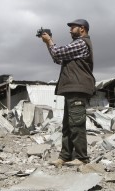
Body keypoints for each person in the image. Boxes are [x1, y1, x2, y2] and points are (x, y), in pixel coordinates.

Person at [39, 18, 95, 166]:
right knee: (68, 125)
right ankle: (65, 156)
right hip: (72, 89)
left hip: (78, 88)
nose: (70, 30)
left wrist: (49, 41)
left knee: (76, 123)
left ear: (82, 29)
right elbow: (58, 58)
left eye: (73, 27)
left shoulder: (81, 43)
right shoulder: (75, 45)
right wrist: (48, 43)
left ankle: (82, 158)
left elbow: (57, 53)